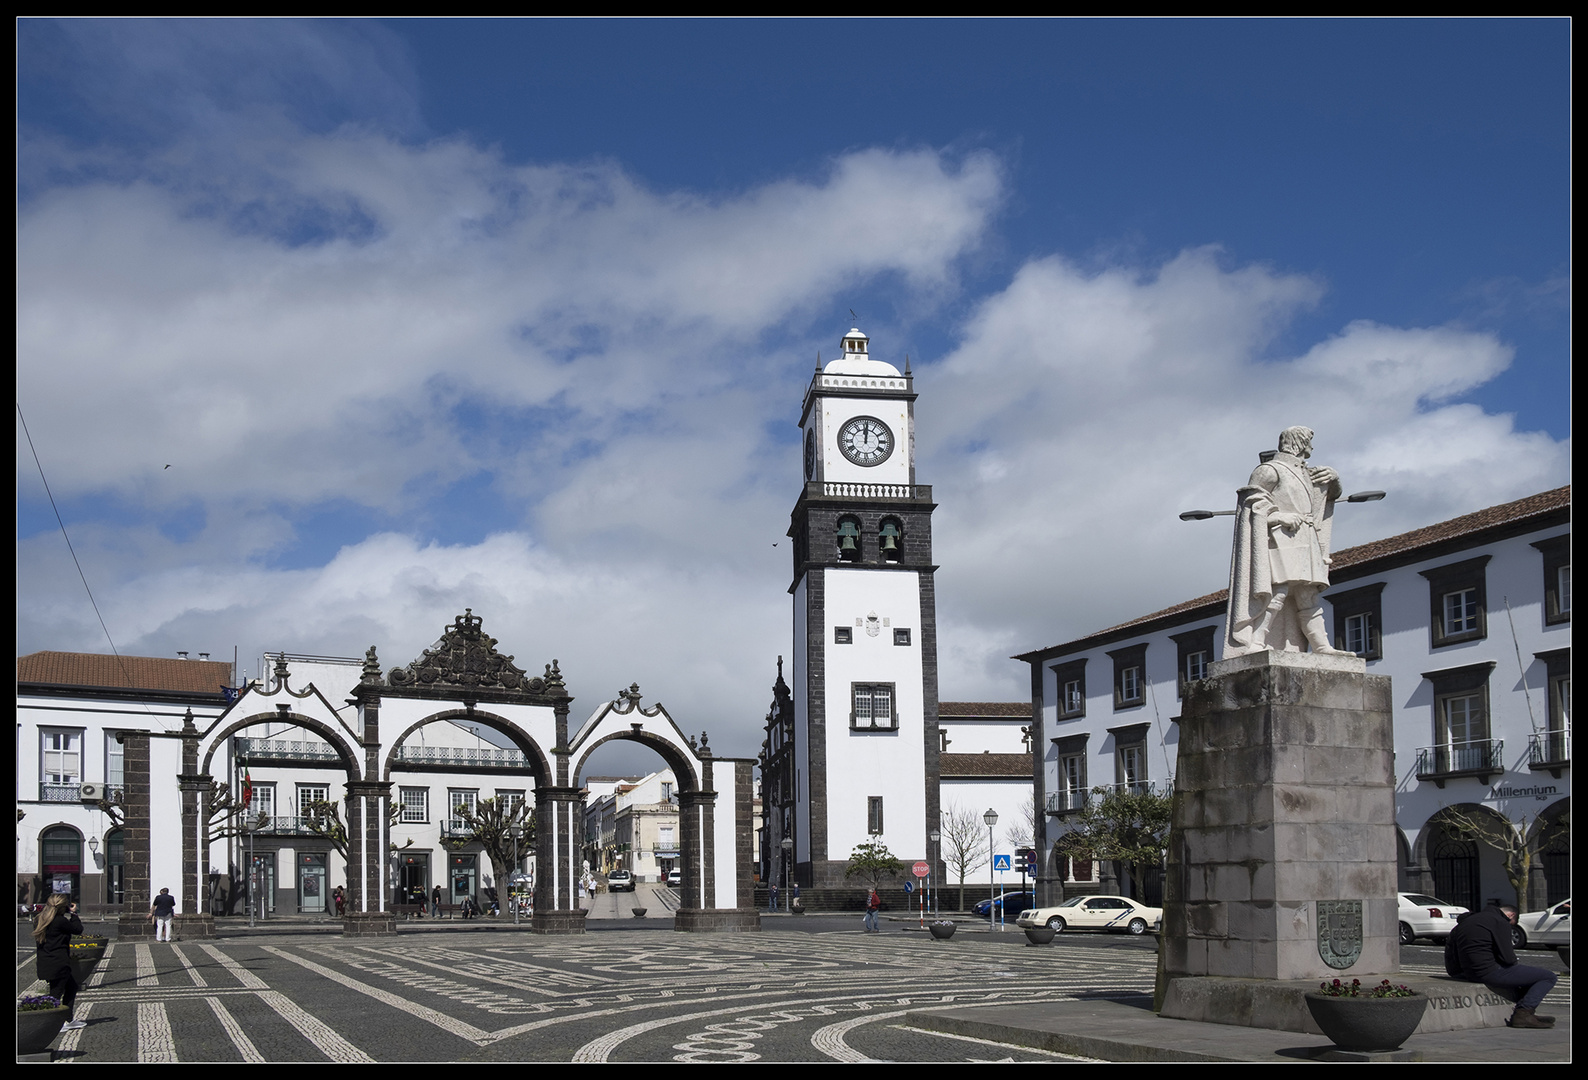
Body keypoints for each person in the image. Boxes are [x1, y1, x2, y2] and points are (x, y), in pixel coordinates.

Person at [1225, 426, 1349, 657]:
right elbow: (1250, 505)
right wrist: (1277, 516)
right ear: (1301, 443)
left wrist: (1334, 478)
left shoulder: (1306, 473)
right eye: (1309, 442)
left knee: (1307, 594)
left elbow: (1331, 495)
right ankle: (1256, 641)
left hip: (1307, 538)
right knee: (1278, 590)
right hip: (1282, 537)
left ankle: (1322, 647)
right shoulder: (1269, 470)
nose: (1312, 447)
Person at [1444, 903, 1558, 1029]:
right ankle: (1523, 1013)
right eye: (1512, 924)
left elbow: (1451, 953)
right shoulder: (1499, 921)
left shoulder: (1465, 922)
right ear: (1511, 915)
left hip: (1467, 972)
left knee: (1526, 977)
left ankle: (1527, 1012)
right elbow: (1508, 958)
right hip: (1488, 972)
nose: (1510, 926)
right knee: (1548, 977)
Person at [34, 894, 87, 1031]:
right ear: (62, 907)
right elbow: (77, 929)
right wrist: (74, 914)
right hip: (59, 963)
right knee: (56, 992)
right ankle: (55, 1023)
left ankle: (67, 1019)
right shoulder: (59, 921)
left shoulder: (40, 919)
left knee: (71, 987)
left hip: (46, 962)